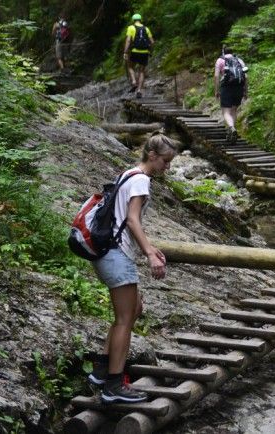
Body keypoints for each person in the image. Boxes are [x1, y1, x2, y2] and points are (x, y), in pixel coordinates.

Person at [87, 133, 176, 403]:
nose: (167, 167)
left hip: (108, 252)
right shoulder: (141, 180)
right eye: (165, 161)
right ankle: (114, 385)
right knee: (125, 319)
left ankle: (102, 370)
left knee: (133, 308)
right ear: (152, 156)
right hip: (115, 254)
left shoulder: (129, 173)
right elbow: (132, 220)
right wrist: (149, 253)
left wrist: (149, 247)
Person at [214, 47, 248, 143]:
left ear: (223, 52)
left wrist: (216, 90)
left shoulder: (220, 60)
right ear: (233, 52)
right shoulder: (239, 60)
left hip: (226, 87)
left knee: (226, 112)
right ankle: (231, 133)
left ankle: (231, 128)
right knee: (234, 110)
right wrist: (246, 91)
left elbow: (216, 76)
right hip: (239, 87)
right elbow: (246, 76)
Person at [124, 14, 155, 99]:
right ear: (140, 20)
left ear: (133, 20)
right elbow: (152, 42)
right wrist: (150, 51)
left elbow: (128, 40)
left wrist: (125, 52)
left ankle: (134, 81)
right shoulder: (146, 28)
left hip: (134, 51)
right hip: (145, 52)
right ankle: (139, 91)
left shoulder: (131, 28)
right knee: (142, 71)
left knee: (130, 66)